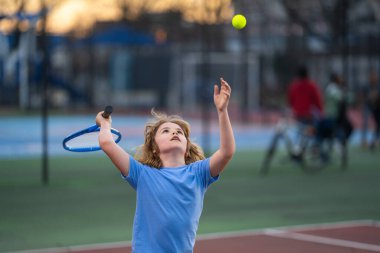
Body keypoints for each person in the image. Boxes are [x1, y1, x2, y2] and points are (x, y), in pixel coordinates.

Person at [95, 78, 235, 252]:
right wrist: (105, 124)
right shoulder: (142, 174)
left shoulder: (199, 173)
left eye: (179, 132)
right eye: (166, 131)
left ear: (186, 149)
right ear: (154, 148)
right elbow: (107, 143)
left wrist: (222, 111)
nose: (174, 133)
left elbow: (227, 151)